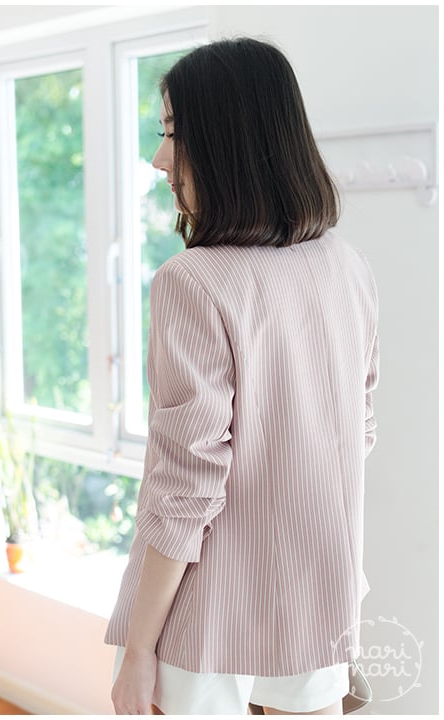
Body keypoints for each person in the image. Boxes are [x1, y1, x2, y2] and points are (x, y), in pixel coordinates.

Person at [105, 37, 380, 715]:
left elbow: (185, 485)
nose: (159, 158)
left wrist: (138, 651)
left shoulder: (193, 282)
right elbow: (360, 431)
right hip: (319, 604)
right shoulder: (346, 266)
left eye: (173, 133)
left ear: (227, 140)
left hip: (207, 621)